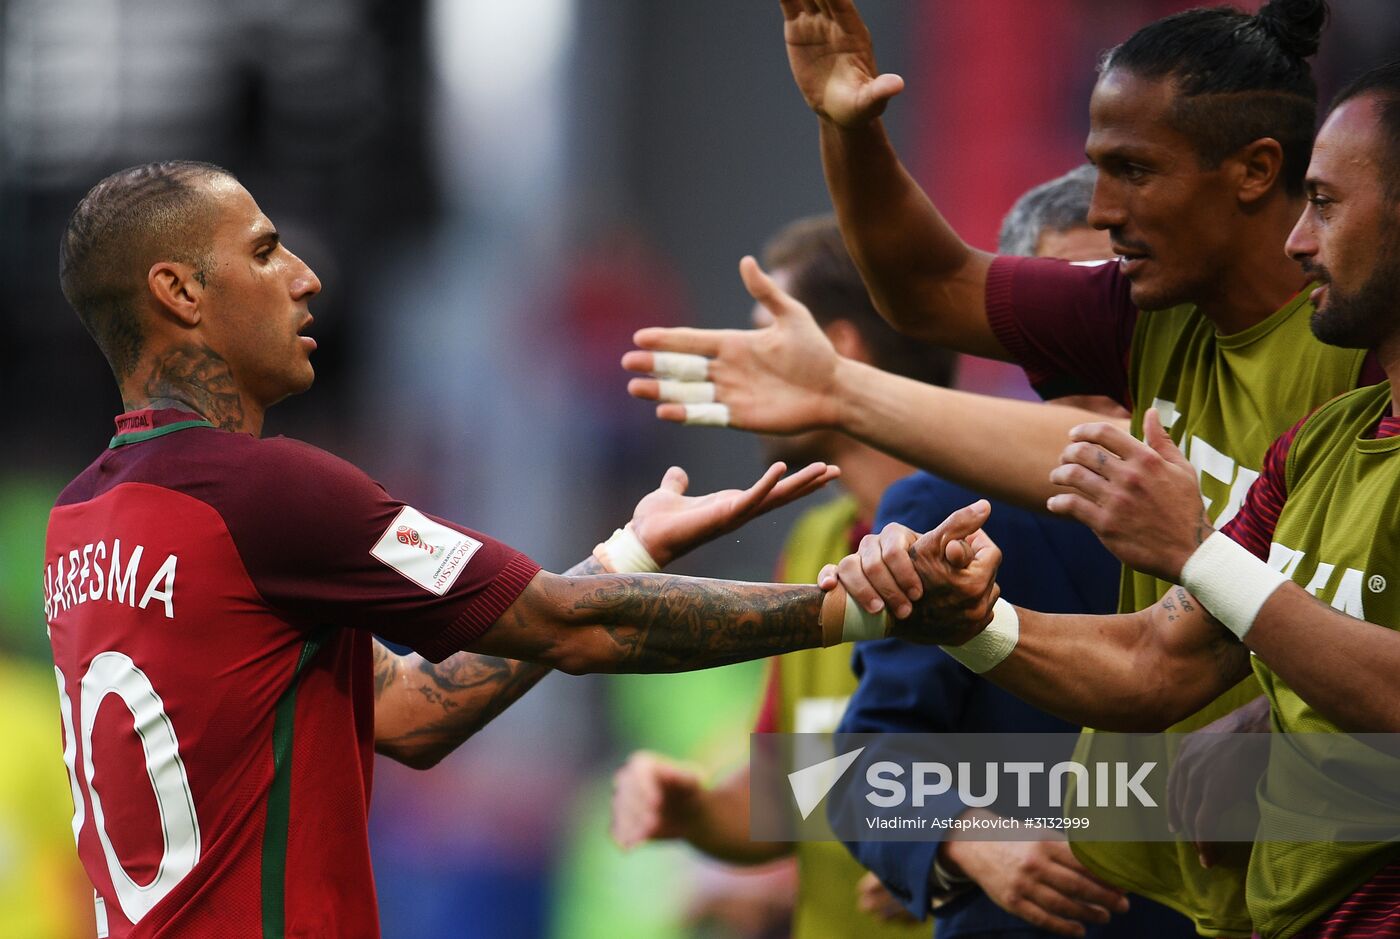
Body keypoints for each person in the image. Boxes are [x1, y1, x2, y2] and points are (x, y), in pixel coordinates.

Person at [43, 162, 996, 937]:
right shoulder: (266, 492)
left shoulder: (82, 522)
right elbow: (571, 628)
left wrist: (623, 556)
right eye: (263, 252)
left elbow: (409, 714)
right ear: (178, 291)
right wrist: (865, 606)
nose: (305, 274)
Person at [624, 2, 1381, 933]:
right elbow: (830, 773)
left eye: (1132, 174)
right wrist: (954, 834)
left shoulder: (1342, 399)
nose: (1108, 220)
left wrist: (995, 814)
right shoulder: (895, 520)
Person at [832, 58, 1400, 939]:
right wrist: (961, 831)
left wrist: (1209, 581)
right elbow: (1156, 663)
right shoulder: (1317, 446)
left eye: (1323, 204)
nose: (1300, 239)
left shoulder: (1203, 482)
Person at [835, 167, 1191, 939]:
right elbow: (864, 764)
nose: (1098, 338)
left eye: (1121, 309)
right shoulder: (940, 508)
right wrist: (968, 838)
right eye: (1069, 310)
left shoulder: (1252, 483)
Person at [610, 214, 953, 939]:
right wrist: (694, 811)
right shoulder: (814, 542)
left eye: (762, 334)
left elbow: (1106, 788)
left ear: (841, 349)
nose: (736, 362)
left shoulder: (993, 540)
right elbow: (786, 795)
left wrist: (944, 846)